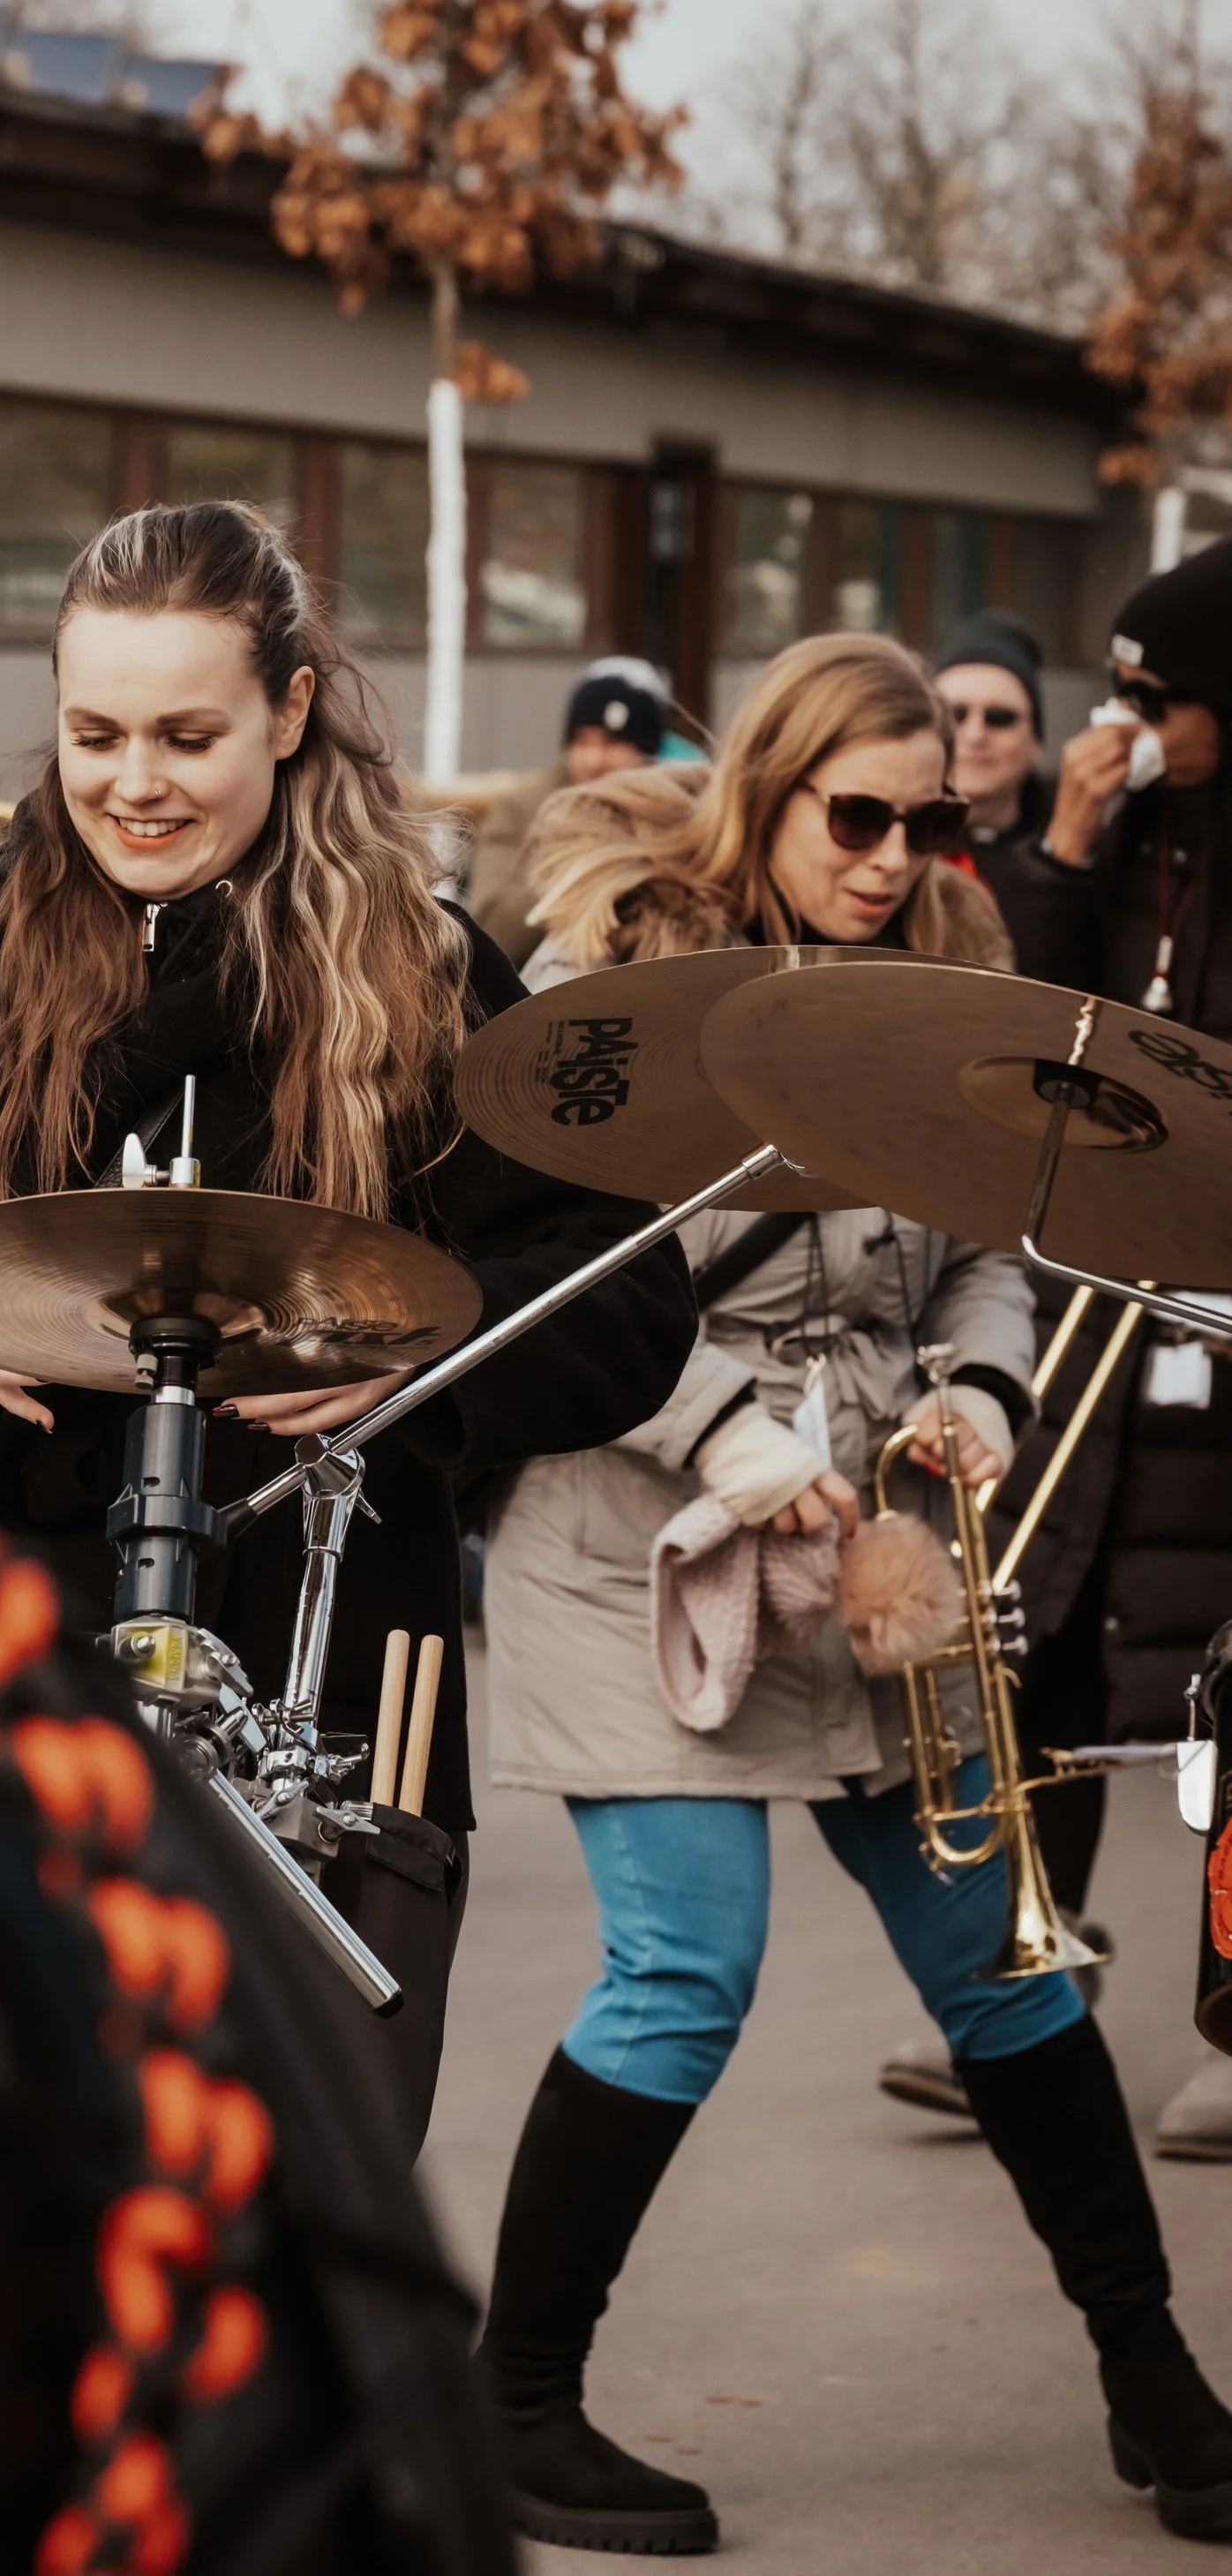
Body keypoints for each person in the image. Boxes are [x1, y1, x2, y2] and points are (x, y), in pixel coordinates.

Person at [0, 502, 699, 2145]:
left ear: (291, 714)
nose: (132, 783)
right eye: (95, 734)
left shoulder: (429, 977)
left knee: (316, 2228)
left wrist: (421, 1363)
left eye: (188, 734)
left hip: (344, 1698)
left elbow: (623, 1300)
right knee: (34, 2230)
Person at [477, 629, 1232, 2555]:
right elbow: (550, 1267)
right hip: (642, 1539)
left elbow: (1003, 1240)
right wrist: (729, 1434)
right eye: (857, 815)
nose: (895, 854)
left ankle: (1154, 2386)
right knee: (680, 1968)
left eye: (930, 821)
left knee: (1005, 1961)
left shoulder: (950, 981)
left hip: (882, 1542)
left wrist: (978, 1386)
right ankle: (515, 2406)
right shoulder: (614, 983)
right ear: (768, 784)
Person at [980, 532, 1232, 2164]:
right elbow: (1012, 1029)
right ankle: (1035, 1973)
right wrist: (1066, 847)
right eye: (1116, 684)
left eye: (1160, 692)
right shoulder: (1118, 833)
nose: (1126, 716)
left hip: (1220, 1310)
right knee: (1056, 1629)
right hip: (1097, 1308)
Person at [464, 657, 668, 961]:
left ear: (647, 752)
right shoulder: (523, 810)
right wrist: (576, 860)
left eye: (614, 744)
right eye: (582, 742)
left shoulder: (672, 813)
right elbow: (493, 934)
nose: (594, 760)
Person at [934, 606, 1051, 921]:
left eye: (1000, 718)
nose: (975, 735)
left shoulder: (1079, 854)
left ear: (1037, 741)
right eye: (955, 715)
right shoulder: (883, 847)